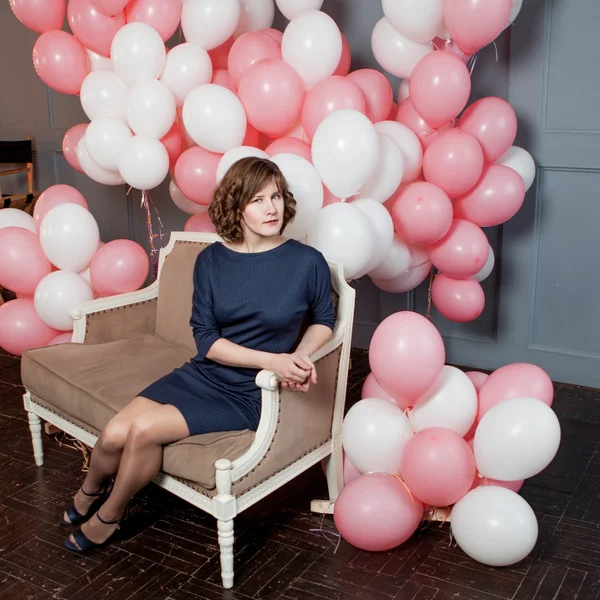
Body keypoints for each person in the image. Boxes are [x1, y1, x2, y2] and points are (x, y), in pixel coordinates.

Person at [62, 156, 336, 552]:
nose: (272, 208)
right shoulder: (211, 261)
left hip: (251, 391)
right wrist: (271, 359)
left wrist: (301, 355)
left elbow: (323, 319)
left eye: (275, 196)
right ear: (236, 206)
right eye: (257, 199)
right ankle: (88, 494)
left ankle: (110, 516)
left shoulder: (306, 261)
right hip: (205, 373)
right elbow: (206, 341)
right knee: (113, 434)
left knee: (142, 432)